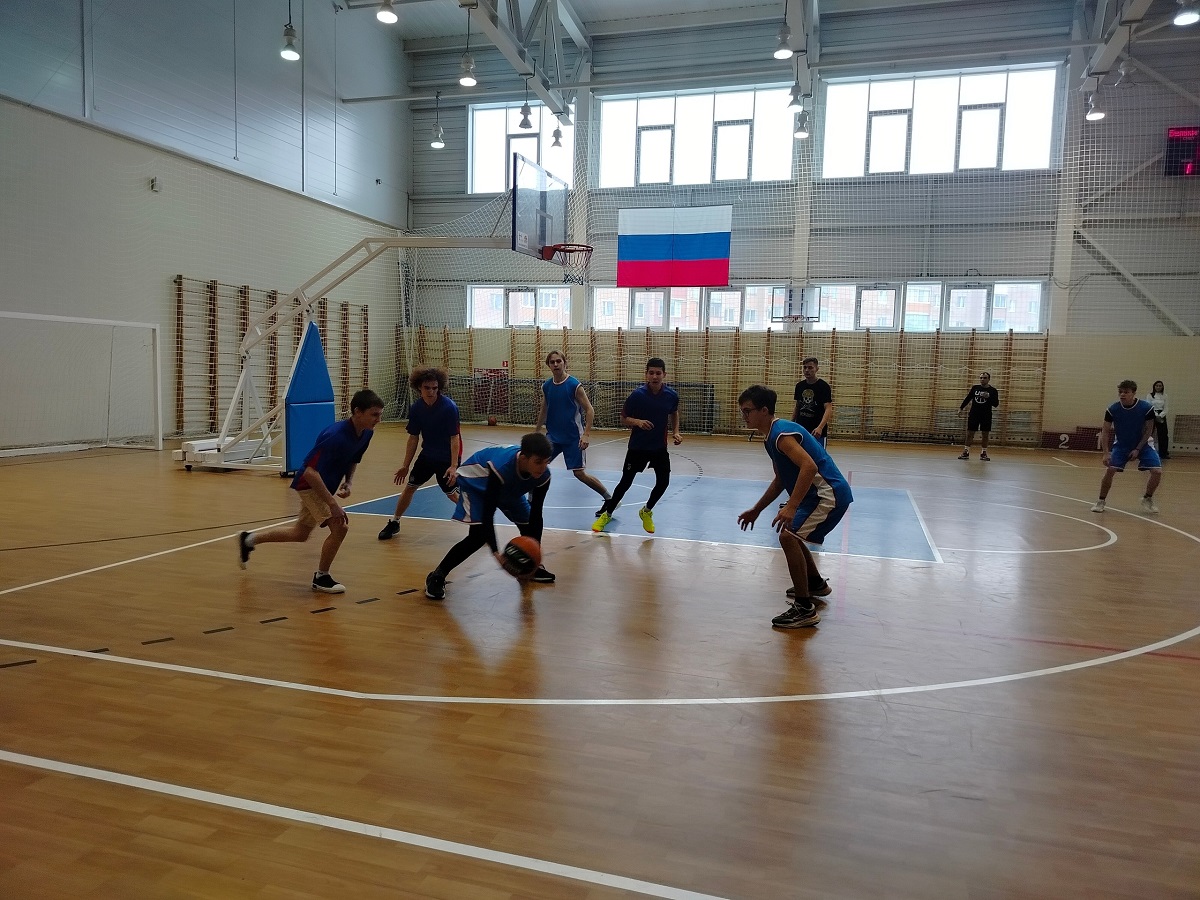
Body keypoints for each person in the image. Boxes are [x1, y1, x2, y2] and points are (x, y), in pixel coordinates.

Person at [238, 389, 384, 593]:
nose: (378, 419)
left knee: (300, 534)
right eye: (374, 414)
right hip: (309, 486)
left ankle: (249, 539)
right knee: (340, 528)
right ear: (358, 412)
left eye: (380, 414)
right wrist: (333, 504)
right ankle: (321, 577)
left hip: (324, 486)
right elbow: (309, 472)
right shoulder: (335, 436)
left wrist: (349, 482)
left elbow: (353, 459)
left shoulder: (366, 433)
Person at [737, 385, 853, 630]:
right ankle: (815, 583)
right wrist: (757, 509)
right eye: (742, 411)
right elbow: (780, 480)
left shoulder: (781, 434)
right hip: (817, 496)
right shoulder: (770, 437)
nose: (744, 415)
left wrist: (792, 506)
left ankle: (804, 608)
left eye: (747, 411)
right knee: (792, 533)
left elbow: (809, 467)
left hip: (828, 495)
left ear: (764, 410)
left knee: (788, 536)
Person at [424, 432, 556, 600]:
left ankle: (529, 568)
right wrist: (496, 552)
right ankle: (437, 575)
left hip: (507, 487)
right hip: (477, 484)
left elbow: (536, 514)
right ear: (523, 458)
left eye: (546, 462)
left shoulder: (544, 476)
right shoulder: (502, 468)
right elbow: (488, 512)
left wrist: (534, 558)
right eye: (538, 462)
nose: (543, 467)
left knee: (529, 523)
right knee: (478, 537)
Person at [592, 357, 682, 534]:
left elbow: (674, 412)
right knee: (625, 483)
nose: (654, 376)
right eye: (651, 373)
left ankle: (646, 511)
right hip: (638, 447)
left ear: (664, 375)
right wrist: (638, 422)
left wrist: (676, 431)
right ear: (646, 374)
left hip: (659, 448)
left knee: (663, 482)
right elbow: (623, 418)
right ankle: (607, 514)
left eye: (658, 373)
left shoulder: (671, 395)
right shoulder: (637, 395)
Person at [378, 366, 461, 540]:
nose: (431, 392)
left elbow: (455, 438)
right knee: (410, 487)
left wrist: (454, 466)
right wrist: (405, 466)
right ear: (419, 388)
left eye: (435, 388)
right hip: (427, 456)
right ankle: (394, 522)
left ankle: (481, 524)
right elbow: (413, 437)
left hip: (446, 458)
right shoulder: (416, 408)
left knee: (452, 495)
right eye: (427, 388)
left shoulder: (449, 408)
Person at [534, 350, 612, 516]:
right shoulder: (547, 386)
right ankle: (530, 502)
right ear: (548, 365)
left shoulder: (574, 385)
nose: (556, 364)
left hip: (573, 438)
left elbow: (589, 410)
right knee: (536, 465)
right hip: (553, 437)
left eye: (559, 361)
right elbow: (544, 410)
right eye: (552, 362)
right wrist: (536, 431)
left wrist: (586, 434)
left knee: (579, 474)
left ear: (565, 363)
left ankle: (609, 499)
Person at [1091, 379, 1162, 514]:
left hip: (1144, 444)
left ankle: (1147, 498)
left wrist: (1138, 449)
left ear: (1133, 393)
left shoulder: (1146, 408)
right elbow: (1105, 431)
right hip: (1122, 445)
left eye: (1126, 392)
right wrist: (1106, 453)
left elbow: (1149, 430)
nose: (1122, 394)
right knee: (1110, 470)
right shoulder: (1112, 409)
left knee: (1157, 471)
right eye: (1120, 392)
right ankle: (1101, 501)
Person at [791, 357, 833, 447]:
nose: (807, 370)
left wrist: (820, 427)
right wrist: (792, 424)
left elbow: (828, 408)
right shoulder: (799, 386)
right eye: (805, 367)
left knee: (818, 455)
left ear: (817, 369)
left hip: (816, 432)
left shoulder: (823, 387)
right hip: (801, 430)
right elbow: (797, 406)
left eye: (810, 367)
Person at [957, 371, 1000, 460]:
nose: (982, 379)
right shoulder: (975, 388)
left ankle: (983, 453)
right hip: (974, 414)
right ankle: (966, 451)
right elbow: (968, 398)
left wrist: (988, 397)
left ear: (989, 379)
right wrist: (961, 408)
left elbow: (996, 404)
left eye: (984, 378)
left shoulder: (993, 390)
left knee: (985, 434)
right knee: (970, 433)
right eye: (981, 378)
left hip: (986, 415)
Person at [1149, 380, 1170, 460]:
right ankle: (1146, 452)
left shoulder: (1165, 396)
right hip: (1152, 414)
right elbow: (1149, 406)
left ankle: (1163, 453)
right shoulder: (1150, 395)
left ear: (1162, 387)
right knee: (1149, 433)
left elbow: (1166, 408)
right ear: (1154, 387)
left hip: (1162, 415)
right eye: (1157, 386)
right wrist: (1156, 415)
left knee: (1163, 434)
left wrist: (1160, 415)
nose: (1158, 387)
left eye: (1160, 386)